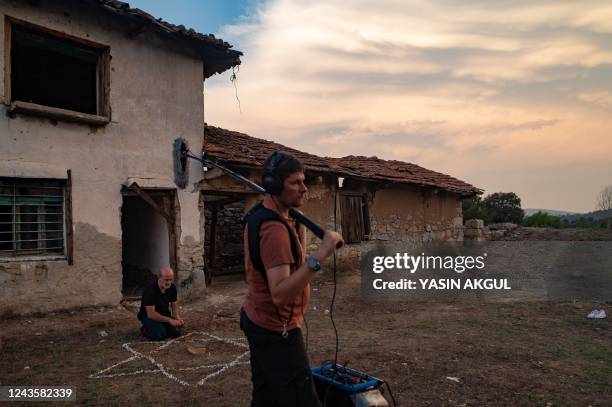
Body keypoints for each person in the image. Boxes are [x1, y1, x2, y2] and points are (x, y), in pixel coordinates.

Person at [241, 151, 344, 407]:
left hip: (256, 319)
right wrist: (320, 254)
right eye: (295, 182)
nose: (304, 189)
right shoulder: (274, 230)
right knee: (302, 399)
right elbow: (280, 294)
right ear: (275, 186)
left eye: (303, 181)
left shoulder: (262, 214)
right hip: (277, 331)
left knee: (266, 397)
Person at [138, 266, 184, 341]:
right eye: (166, 279)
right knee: (159, 335)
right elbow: (151, 314)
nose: (168, 282)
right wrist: (169, 320)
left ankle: (160, 326)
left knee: (175, 333)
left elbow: (174, 304)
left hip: (164, 314)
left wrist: (177, 317)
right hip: (148, 317)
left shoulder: (172, 288)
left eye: (170, 279)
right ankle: (145, 329)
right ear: (159, 277)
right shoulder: (150, 291)